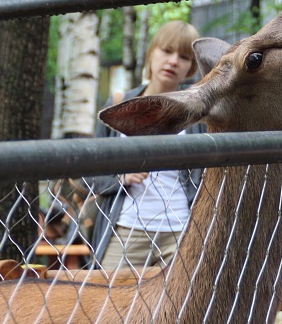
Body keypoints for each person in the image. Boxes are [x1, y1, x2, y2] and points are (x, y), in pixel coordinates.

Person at [85, 20, 206, 272]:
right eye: (167, 51)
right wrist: (121, 179)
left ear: (191, 67)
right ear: (152, 52)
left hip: (180, 231)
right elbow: (90, 174)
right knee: (109, 302)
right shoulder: (118, 103)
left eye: (183, 57)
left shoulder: (197, 115)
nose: (173, 61)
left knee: (178, 309)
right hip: (126, 228)